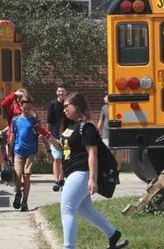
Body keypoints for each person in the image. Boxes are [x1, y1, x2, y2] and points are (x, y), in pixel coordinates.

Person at [43, 93, 129, 249]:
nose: (64, 110)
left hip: (82, 172)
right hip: (72, 172)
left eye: (67, 106)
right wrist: (50, 139)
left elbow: (92, 153)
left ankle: (68, 247)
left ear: (77, 106)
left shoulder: (87, 127)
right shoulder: (70, 127)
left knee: (67, 209)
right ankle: (113, 235)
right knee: (85, 210)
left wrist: (92, 179)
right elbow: (64, 148)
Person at [10, 97, 41, 212]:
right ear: (20, 106)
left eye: (29, 107)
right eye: (24, 107)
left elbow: (38, 134)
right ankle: (18, 193)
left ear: (31, 107)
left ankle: (25, 202)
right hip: (18, 151)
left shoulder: (34, 120)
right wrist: (9, 152)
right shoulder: (15, 120)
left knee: (26, 176)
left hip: (30, 152)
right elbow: (13, 136)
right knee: (18, 174)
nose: (26, 109)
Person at [1, 88, 28, 205]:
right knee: (17, 169)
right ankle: (18, 189)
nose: (20, 99)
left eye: (23, 97)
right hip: (14, 140)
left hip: (27, 142)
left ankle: (22, 189)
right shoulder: (12, 109)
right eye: (19, 97)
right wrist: (14, 94)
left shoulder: (29, 109)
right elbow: (4, 103)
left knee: (26, 171)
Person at [47, 84, 69, 191]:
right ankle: (56, 180)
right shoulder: (53, 105)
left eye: (63, 91)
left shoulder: (68, 104)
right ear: (56, 92)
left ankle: (62, 179)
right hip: (55, 135)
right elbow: (49, 121)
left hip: (66, 135)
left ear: (66, 92)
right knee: (56, 158)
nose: (61, 93)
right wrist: (48, 134)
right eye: (59, 91)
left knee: (64, 159)